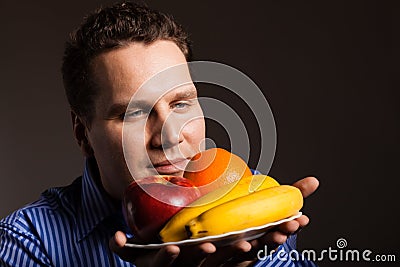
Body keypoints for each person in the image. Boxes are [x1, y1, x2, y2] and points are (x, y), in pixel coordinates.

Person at [0, 2, 319, 266]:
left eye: (181, 104)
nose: (169, 136)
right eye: (134, 113)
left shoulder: (251, 205)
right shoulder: (29, 243)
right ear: (83, 134)